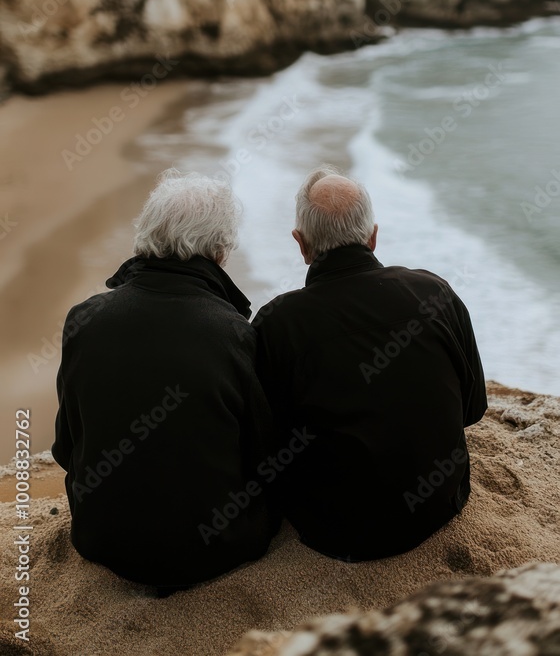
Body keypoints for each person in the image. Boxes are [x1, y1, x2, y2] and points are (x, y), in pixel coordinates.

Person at [52, 169, 277, 590]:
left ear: (147, 236)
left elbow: (66, 447)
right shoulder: (234, 334)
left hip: (100, 538)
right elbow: (264, 458)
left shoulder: (83, 319)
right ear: (219, 252)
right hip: (217, 546)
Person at [253, 166, 487, 561]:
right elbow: (473, 408)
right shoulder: (435, 293)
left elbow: (265, 448)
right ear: (372, 237)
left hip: (336, 530)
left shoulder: (277, 323)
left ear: (302, 244)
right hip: (442, 503)